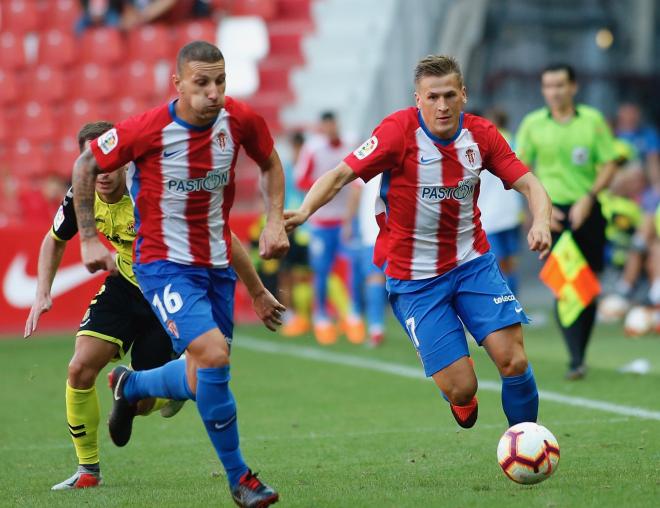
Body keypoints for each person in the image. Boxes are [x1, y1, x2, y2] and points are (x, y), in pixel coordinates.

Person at [71, 41, 287, 507]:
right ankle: (240, 479)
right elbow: (87, 163)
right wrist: (88, 237)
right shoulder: (148, 129)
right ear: (179, 84)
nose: (214, 93)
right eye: (202, 83)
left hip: (215, 267)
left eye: (220, 81)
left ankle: (132, 385)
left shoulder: (241, 120)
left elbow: (270, 162)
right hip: (164, 266)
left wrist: (272, 220)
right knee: (212, 357)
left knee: (202, 374)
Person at [285, 55, 552, 430]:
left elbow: (530, 183)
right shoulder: (397, 132)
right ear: (418, 99)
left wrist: (541, 220)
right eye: (432, 97)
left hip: (473, 264)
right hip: (415, 280)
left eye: (448, 95)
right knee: (462, 389)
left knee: (514, 360)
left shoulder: (482, 136)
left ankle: (527, 441)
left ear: (463, 94)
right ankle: (459, 385)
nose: (441, 106)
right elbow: (342, 173)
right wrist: (304, 212)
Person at [24, 121, 182, 490]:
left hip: (164, 295)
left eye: (108, 161)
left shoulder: (150, 192)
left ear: (125, 159)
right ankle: (87, 470)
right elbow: (53, 240)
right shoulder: (80, 195)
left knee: (142, 403)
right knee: (79, 368)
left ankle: (170, 389)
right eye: (90, 163)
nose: (101, 173)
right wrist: (42, 292)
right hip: (124, 287)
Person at [516, 63, 618, 380]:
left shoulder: (592, 121)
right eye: (548, 86)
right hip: (553, 215)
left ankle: (580, 353)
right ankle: (575, 359)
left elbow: (609, 163)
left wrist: (589, 196)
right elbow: (520, 170)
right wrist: (539, 210)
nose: (554, 92)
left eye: (560, 85)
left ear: (573, 87)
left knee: (588, 285)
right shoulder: (532, 124)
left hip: (587, 210)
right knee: (564, 285)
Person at [295, 111, 364, 345]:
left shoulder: (350, 144)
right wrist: (326, 184)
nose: (331, 128)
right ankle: (321, 316)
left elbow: (360, 176)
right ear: (321, 127)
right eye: (326, 125)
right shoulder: (313, 149)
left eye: (334, 123)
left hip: (345, 220)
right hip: (321, 221)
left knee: (352, 266)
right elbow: (301, 179)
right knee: (322, 270)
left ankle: (352, 315)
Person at [477, 108, 523, 296]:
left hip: (489, 214)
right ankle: (514, 304)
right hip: (512, 213)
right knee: (510, 262)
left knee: (496, 264)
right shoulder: (515, 141)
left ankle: (506, 304)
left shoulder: (481, 143)